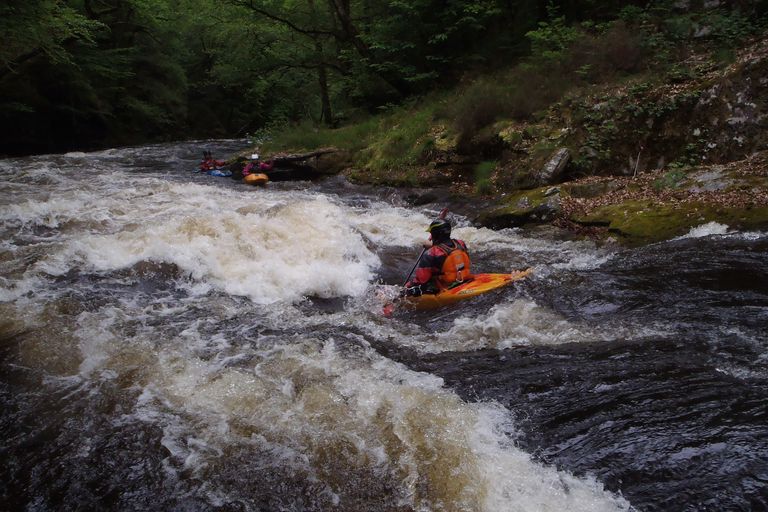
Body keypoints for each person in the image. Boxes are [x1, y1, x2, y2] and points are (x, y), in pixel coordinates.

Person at [404, 217, 472, 296]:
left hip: (445, 287)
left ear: (435, 234)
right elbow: (445, 250)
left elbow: (421, 280)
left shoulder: (430, 253)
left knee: (408, 289)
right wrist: (433, 246)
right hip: (464, 279)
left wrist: (406, 288)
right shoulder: (461, 244)